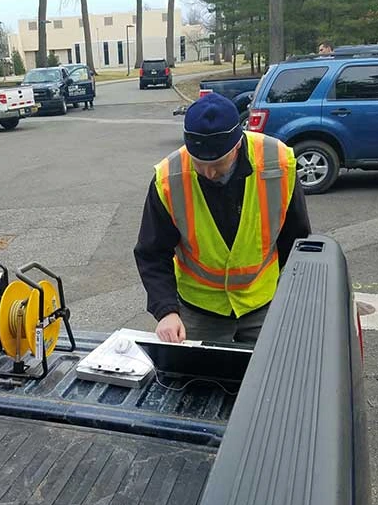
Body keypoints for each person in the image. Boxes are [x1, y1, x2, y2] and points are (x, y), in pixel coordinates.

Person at [134, 93, 312, 344]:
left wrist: (294, 296)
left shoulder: (278, 163)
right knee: (197, 380)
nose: (208, 172)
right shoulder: (168, 179)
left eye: (218, 164)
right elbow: (152, 252)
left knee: (265, 377)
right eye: (199, 163)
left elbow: (297, 239)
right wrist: (167, 311)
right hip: (199, 310)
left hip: (261, 303)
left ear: (237, 146)